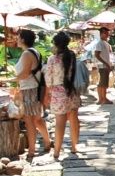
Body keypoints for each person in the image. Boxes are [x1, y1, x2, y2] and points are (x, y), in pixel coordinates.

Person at [13, 29, 51, 158]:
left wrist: (9, 79)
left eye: (18, 37)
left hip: (30, 89)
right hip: (33, 88)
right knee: (36, 119)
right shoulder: (34, 52)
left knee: (29, 120)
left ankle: (32, 150)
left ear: (23, 39)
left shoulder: (26, 54)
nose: (16, 39)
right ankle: (47, 142)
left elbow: (25, 74)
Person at [44, 32, 81, 159]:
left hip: (58, 92)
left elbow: (48, 80)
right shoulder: (72, 56)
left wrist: (47, 94)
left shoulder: (52, 59)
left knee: (60, 122)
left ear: (55, 44)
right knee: (74, 119)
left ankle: (56, 152)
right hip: (71, 90)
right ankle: (74, 146)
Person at [94, 27, 113, 104]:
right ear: (102, 33)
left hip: (105, 65)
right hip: (103, 66)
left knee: (104, 83)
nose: (107, 35)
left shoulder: (106, 43)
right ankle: (102, 99)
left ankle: (103, 98)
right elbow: (97, 55)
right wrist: (106, 63)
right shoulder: (99, 43)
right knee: (102, 83)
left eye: (107, 33)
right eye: (105, 33)